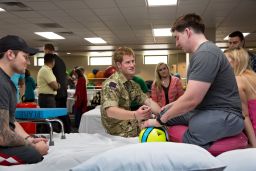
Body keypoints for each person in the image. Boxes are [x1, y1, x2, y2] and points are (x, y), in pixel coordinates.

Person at [142, 13, 244, 149]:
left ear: (187, 32)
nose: (177, 43)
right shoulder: (200, 54)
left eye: (177, 38)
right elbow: (192, 96)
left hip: (226, 114)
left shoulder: (206, 53)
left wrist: (160, 121)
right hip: (205, 110)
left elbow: (191, 100)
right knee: (165, 113)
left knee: (195, 125)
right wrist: (170, 108)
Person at [0, 35, 48, 165]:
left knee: (32, 148)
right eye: (25, 57)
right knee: (33, 154)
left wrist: (29, 139)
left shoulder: (8, 83)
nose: (28, 62)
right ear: (10, 54)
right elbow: (3, 136)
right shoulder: (1, 83)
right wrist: (31, 146)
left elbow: (11, 121)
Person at [101, 47, 161, 137]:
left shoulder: (132, 84)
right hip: (118, 133)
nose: (132, 65)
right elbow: (110, 111)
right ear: (119, 65)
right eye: (128, 62)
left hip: (131, 126)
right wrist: (135, 114)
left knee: (161, 126)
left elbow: (148, 101)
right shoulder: (112, 84)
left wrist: (162, 114)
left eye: (133, 61)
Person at [224, 48, 256, 147]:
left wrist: (254, 145)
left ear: (236, 62)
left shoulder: (237, 80)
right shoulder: (253, 75)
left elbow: (245, 116)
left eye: (225, 61)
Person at [44, 43, 71, 133]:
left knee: (59, 113)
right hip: (63, 91)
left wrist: (56, 87)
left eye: (44, 51)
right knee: (63, 112)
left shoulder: (52, 61)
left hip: (58, 92)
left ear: (47, 50)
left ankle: (65, 130)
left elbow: (56, 77)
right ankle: (67, 130)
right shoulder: (60, 60)